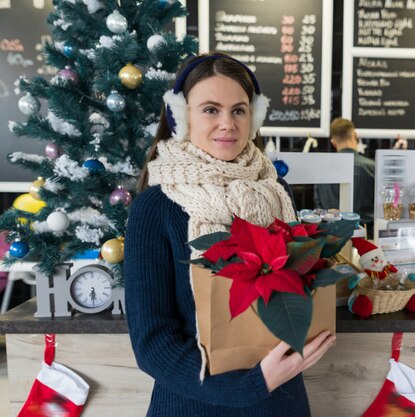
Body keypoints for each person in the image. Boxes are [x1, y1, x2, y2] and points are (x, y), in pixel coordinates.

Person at [124, 53, 336, 417]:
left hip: (281, 402)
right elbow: (153, 343)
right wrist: (250, 385)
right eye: (210, 109)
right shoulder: (154, 208)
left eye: (238, 110)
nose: (228, 123)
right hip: (193, 407)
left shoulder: (275, 191)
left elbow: (292, 286)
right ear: (182, 116)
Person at [314, 118, 375, 236]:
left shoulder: (321, 169)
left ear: (333, 142)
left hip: (331, 238)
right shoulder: (372, 167)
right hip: (367, 237)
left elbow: (318, 204)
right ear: (355, 135)